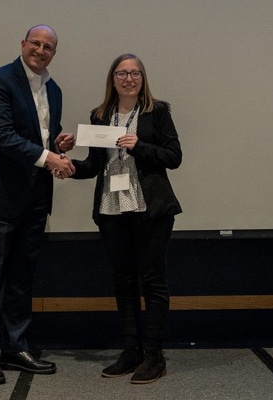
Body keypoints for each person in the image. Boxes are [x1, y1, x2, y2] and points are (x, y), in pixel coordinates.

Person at [0, 24, 75, 385]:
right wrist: (49, 158)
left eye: (48, 47)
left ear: (53, 54)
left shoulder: (54, 89)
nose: (41, 51)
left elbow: (37, 138)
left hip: (35, 198)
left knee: (21, 278)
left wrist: (59, 146)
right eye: (36, 43)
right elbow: (0, 135)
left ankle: (15, 347)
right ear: (23, 44)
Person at [65, 53, 182, 384]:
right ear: (112, 79)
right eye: (121, 73)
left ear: (143, 79)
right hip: (111, 208)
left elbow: (174, 157)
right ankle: (130, 351)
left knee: (153, 281)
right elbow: (92, 166)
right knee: (124, 282)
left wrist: (139, 145)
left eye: (135, 73)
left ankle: (154, 356)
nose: (128, 79)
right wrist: (67, 164)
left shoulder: (157, 112)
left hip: (150, 209)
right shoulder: (99, 116)